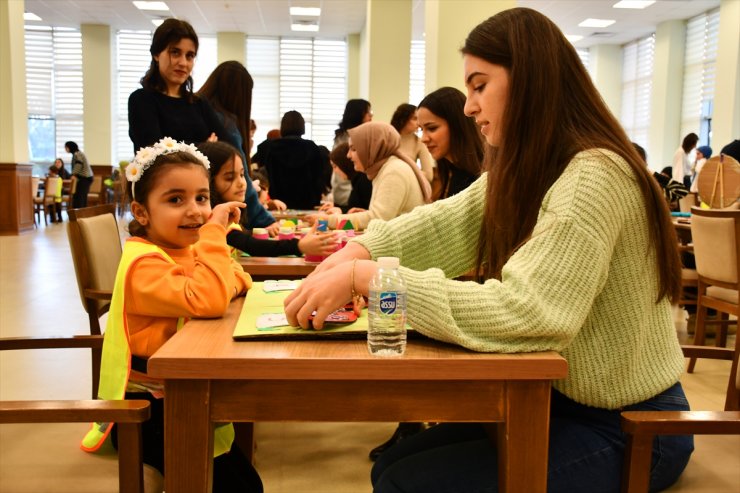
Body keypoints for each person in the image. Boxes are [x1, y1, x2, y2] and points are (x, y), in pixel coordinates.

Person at [284, 8, 693, 493]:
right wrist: (359, 251)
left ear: (531, 81)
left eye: (480, 86)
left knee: (404, 483)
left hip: (632, 426)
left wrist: (371, 278)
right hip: (561, 401)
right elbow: (443, 225)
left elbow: (532, 311)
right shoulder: (532, 168)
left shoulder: (594, 175)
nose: (471, 106)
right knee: (389, 467)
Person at [80, 138, 263, 491]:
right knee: (239, 487)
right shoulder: (143, 265)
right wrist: (213, 234)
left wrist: (220, 278)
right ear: (142, 211)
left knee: (246, 483)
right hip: (144, 414)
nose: (195, 210)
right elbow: (211, 298)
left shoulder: (183, 248)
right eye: (175, 199)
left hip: (182, 392)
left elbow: (240, 277)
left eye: (202, 197)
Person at [199, 140, 337, 258]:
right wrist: (299, 246)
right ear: (208, 181)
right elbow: (251, 246)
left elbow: (242, 238)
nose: (241, 182)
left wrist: (258, 231)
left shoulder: (228, 216)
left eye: (242, 175)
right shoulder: (213, 220)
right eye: (230, 177)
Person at [127, 19, 232, 155]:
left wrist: (179, 147)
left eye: (190, 56)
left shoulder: (199, 103)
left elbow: (228, 149)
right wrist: (205, 148)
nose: (183, 63)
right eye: (175, 52)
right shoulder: (141, 100)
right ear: (156, 54)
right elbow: (154, 153)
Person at [197, 60, 279, 234]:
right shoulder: (227, 126)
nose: (239, 181)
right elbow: (244, 183)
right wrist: (265, 221)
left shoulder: (196, 111)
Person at [308, 122, 431, 231]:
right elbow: (382, 217)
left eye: (354, 149)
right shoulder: (385, 168)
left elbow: (378, 221)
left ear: (371, 148)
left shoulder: (393, 171)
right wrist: (367, 214)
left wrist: (328, 221)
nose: (348, 156)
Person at [418, 87, 484, 200]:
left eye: (432, 128)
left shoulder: (479, 180)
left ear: (457, 125)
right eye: (421, 129)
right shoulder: (449, 171)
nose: (423, 139)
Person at [255, 110, 328, 210]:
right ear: (302, 126)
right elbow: (319, 176)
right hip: (307, 203)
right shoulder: (312, 147)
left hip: (279, 203)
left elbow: (269, 175)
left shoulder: (272, 148)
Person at [330, 99, 374, 209]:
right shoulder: (346, 138)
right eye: (368, 112)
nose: (371, 116)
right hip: (346, 193)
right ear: (358, 114)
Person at [390, 103, 435, 183]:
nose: (418, 123)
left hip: (407, 183)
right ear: (403, 119)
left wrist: (406, 171)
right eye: (414, 118)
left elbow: (429, 176)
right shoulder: (387, 138)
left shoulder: (419, 142)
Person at [65, 141, 93, 208]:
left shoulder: (77, 154)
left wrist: (73, 174)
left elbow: (78, 164)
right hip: (85, 178)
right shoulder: (78, 153)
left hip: (85, 178)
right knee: (81, 196)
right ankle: (80, 213)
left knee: (80, 196)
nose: (65, 149)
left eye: (66, 147)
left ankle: (80, 214)